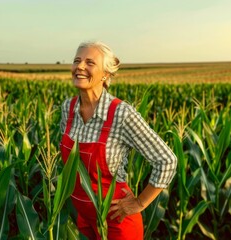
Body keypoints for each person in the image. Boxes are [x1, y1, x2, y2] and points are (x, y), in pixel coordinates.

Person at [59, 41, 177, 239]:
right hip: (84, 220)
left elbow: (167, 160)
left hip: (117, 223)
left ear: (105, 74)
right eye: (77, 61)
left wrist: (139, 203)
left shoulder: (121, 114)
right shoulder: (68, 109)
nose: (80, 66)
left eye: (90, 63)